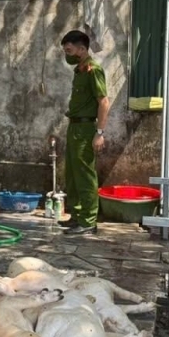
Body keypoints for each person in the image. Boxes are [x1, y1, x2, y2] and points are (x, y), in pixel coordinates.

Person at [58, 30, 109, 236]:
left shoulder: (93, 70)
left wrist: (99, 133)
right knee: (72, 174)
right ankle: (77, 215)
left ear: (81, 49)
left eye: (69, 50)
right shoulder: (79, 70)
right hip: (75, 127)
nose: (67, 54)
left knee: (85, 175)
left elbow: (103, 102)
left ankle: (88, 220)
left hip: (86, 129)